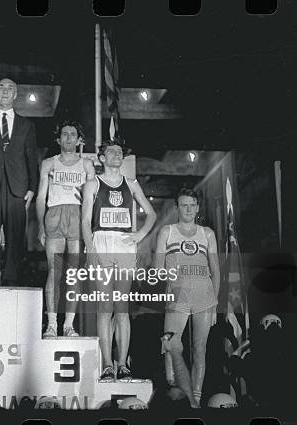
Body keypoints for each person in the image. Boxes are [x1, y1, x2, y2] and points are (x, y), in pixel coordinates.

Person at [81, 140, 156, 381]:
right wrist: (90, 250)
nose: (116, 154)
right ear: (102, 158)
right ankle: (106, 365)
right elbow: (84, 221)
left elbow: (151, 213)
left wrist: (140, 234)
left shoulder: (131, 184)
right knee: (105, 309)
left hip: (124, 243)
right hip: (101, 240)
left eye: (120, 152)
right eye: (111, 151)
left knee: (122, 309)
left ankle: (122, 364)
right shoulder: (93, 183)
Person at [155, 188, 220, 407]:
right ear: (177, 207)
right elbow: (157, 267)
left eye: (192, 204)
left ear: (198, 207)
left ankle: (196, 403)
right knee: (171, 344)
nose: (189, 209)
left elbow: (216, 271)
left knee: (200, 348)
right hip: (178, 294)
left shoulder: (207, 233)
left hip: (204, 295)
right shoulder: (167, 231)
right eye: (184, 205)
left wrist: (215, 304)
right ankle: (178, 397)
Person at [36, 120, 95, 337]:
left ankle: (68, 325)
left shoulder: (87, 165)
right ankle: (51, 324)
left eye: (73, 134)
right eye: (65, 134)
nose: (69, 137)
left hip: (78, 216)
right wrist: (41, 226)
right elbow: (41, 197)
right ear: (58, 139)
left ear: (79, 140)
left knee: (74, 274)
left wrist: (88, 229)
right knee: (54, 271)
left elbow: (91, 200)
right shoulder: (48, 164)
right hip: (54, 215)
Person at [0, 78, 38, 285]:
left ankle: (12, 277)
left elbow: (32, 157)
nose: (5, 90)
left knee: (16, 232)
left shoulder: (27, 125)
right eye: (1, 87)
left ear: (15, 94)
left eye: (10, 87)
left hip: (18, 186)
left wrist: (32, 188)